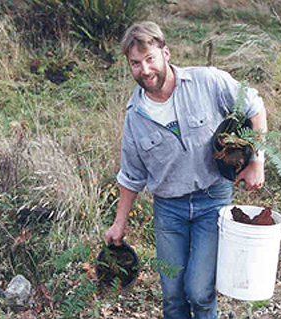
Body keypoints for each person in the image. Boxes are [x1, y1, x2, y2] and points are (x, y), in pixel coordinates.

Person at [104, 21, 267, 319]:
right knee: (173, 297)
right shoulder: (135, 116)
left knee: (199, 292)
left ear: (166, 53)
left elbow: (254, 108)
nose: (145, 69)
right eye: (135, 63)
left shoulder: (207, 82)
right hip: (169, 212)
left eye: (150, 58)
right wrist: (119, 223)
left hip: (212, 201)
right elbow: (131, 176)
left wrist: (257, 160)